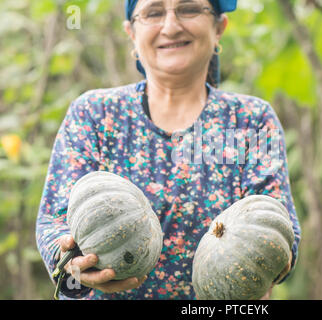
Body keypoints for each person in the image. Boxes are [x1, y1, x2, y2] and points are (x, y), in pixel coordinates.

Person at [36, 0, 301, 300]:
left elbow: (280, 228)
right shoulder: (94, 114)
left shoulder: (251, 121)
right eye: (153, 12)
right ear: (131, 33)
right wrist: (73, 264)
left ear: (219, 28)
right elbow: (54, 222)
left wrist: (273, 255)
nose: (171, 26)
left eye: (189, 9)